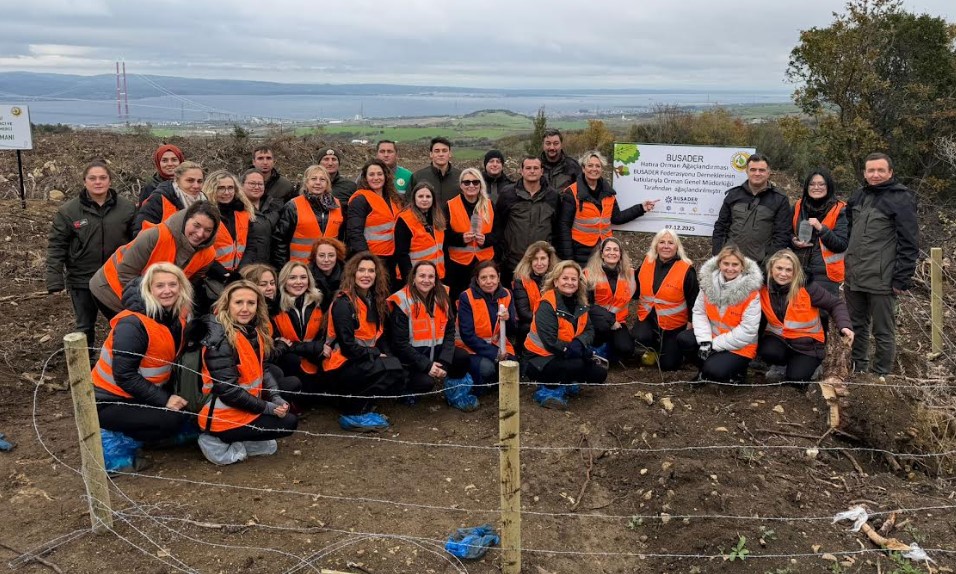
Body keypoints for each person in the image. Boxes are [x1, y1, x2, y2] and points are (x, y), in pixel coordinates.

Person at [92, 264, 193, 468]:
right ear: (149, 290)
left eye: (173, 284)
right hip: (109, 401)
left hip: (137, 395)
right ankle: (110, 433)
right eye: (160, 286)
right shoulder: (133, 324)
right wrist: (165, 399)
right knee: (171, 421)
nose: (167, 290)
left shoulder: (175, 319)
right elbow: (125, 375)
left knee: (186, 414)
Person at [198, 281, 298, 464]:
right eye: (238, 302)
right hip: (222, 416)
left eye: (251, 303)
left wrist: (276, 397)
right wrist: (268, 408)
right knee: (288, 423)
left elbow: (263, 369)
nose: (245, 308)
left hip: (244, 408)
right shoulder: (221, 340)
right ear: (227, 305)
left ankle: (239, 437)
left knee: (288, 409)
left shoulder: (252, 331)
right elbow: (229, 392)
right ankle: (215, 438)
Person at [47, 161, 135, 349]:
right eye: (92, 178)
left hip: (115, 278)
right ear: (84, 181)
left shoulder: (127, 208)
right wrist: (55, 280)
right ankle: (85, 365)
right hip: (81, 279)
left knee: (123, 323)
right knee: (85, 326)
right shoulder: (69, 211)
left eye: (103, 178)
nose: (98, 182)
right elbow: (57, 246)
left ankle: (119, 360)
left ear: (110, 181)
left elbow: (137, 242)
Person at [844, 153, 919, 376]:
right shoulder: (858, 196)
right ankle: (859, 369)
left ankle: (880, 377)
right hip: (854, 277)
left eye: (880, 170)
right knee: (857, 327)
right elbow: (850, 232)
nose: (875, 175)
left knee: (883, 331)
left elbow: (909, 242)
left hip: (882, 278)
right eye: (871, 171)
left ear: (890, 172)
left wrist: (901, 278)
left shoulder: (901, 198)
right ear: (865, 173)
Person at [90, 201, 221, 317]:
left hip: (150, 294)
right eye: (196, 225)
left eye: (208, 230)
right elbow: (125, 273)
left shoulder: (208, 255)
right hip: (110, 288)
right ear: (186, 219)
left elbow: (188, 285)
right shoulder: (156, 235)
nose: (200, 234)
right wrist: (150, 308)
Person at [323, 252, 404, 431]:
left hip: (359, 360)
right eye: (361, 270)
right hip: (340, 364)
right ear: (352, 273)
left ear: (377, 275)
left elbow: (378, 336)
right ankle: (352, 412)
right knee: (389, 367)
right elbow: (347, 346)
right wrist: (376, 354)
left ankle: (362, 406)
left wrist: (386, 355)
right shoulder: (344, 303)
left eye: (371, 271)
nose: (366, 275)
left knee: (396, 368)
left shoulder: (374, 300)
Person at [758, 250, 854, 383]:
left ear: (795, 271)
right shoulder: (763, 287)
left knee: (797, 380)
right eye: (779, 268)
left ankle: (813, 368)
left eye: (788, 270)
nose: (783, 274)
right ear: (771, 268)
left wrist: (845, 326)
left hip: (808, 345)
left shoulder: (807, 287)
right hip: (779, 338)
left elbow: (835, 303)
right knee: (768, 352)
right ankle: (780, 366)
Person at [525, 260, 607, 409]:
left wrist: (579, 343)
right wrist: (576, 351)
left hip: (567, 353)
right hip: (540, 359)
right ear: (556, 281)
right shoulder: (547, 304)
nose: (569, 282)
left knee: (599, 374)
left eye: (573, 279)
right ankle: (547, 390)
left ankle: (565, 382)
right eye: (565, 278)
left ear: (578, 282)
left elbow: (589, 330)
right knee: (577, 365)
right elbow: (550, 342)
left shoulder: (581, 303)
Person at [678, 245, 763, 384]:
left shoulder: (751, 292)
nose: (730, 268)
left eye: (735, 264)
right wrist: (705, 340)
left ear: (742, 267)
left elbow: (748, 330)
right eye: (726, 263)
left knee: (715, 371)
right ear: (719, 264)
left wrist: (713, 345)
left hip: (740, 346)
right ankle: (703, 371)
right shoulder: (708, 284)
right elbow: (699, 312)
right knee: (684, 339)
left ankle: (737, 372)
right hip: (712, 336)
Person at [387, 261, 469, 404]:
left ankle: (454, 392)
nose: (426, 280)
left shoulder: (443, 296)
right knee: (426, 383)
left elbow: (450, 332)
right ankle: (406, 391)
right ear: (413, 278)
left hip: (436, 352)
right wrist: (427, 365)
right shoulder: (402, 301)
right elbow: (400, 344)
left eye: (431, 276)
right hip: (410, 360)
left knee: (462, 357)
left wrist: (444, 361)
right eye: (422, 276)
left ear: (435, 279)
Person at [557, 150, 656, 266]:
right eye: (590, 165)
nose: (594, 169)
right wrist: (569, 259)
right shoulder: (572, 192)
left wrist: (641, 208)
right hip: (580, 251)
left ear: (601, 169)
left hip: (604, 249)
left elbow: (617, 218)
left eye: (598, 166)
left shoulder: (609, 193)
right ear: (583, 169)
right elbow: (564, 226)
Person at [631, 229, 699, 371]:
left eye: (670, 243)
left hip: (674, 324)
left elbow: (694, 300)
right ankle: (653, 346)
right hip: (648, 317)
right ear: (656, 245)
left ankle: (677, 351)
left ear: (677, 247)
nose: (666, 246)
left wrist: (691, 323)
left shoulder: (686, 269)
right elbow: (635, 289)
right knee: (639, 336)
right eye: (662, 242)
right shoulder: (647, 262)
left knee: (668, 365)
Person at [711, 153, 791, 267]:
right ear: (747, 171)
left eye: (761, 170)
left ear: (768, 172)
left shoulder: (779, 199)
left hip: (760, 266)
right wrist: (719, 256)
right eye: (753, 169)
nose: (757, 173)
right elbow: (720, 227)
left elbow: (782, 236)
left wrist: (768, 263)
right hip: (730, 264)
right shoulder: (733, 195)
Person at [494, 156, 560, 288]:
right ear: (521, 171)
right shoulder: (508, 194)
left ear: (542, 171)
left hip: (542, 264)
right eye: (528, 168)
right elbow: (499, 225)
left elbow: (556, 227)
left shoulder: (553, 196)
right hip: (513, 262)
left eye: (536, 168)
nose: (532, 171)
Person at [456, 261, 517, 394]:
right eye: (483, 278)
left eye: (492, 277)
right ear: (477, 280)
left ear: (499, 277)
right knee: (487, 368)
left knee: (513, 365)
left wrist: (509, 319)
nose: (489, 281)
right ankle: (476, 387)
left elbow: (513, 329)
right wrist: (495, 354)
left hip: (498, 344)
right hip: (470, 348)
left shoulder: (506, 294)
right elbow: (467, 335)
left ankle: (491, 385)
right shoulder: (466, 297)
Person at [272, 165, 345, 269]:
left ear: (328, 183)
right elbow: (280, 241)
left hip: (329, 268)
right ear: (306, 182)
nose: (318, 182)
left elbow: (342, 239)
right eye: (313, 179)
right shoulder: (293, 206)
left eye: (322, 179)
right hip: (300, 270)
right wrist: (283, 269)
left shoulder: (338, 205)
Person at [790, 168, 848, 299]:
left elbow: (841, 244)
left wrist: (821, 228)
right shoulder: (798, 206)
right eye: (812, 184)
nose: (816, 187)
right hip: (797, 270)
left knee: (821, 316)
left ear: (829, 186)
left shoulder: (841, 209)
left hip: (825, 275)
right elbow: (787, 232)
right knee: (796, 314)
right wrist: (793, 240)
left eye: (821, 184)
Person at [271, 262, 327, 393]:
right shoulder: (274, 307)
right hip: (290, 360)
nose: (298, 282)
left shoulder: (320, 302)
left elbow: (325, 335)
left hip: (315, 357)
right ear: (284, 280)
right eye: (292, 278)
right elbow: (277, 342)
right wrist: (310, 347)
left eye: (303, 277)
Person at [444, 168, 497, 301]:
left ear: (480, 185)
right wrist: (461, 238)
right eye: (467, 182)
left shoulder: (490, 205)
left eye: (475, 182)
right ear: (461, 185)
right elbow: (444, 235)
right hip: (458, 266)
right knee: (459, 301)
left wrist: (486, 240)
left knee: (484, 301)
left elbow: (499, 233)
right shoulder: (449, 206)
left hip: (484, 263)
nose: (471, 186)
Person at [202, 170, 257, 295]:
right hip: (210, 278)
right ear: (212, 189)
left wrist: (241, 271)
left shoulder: (243, 212)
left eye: (230, 188)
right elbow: (200, 250)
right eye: (221, 188)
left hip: (239, 275)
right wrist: (224, 274)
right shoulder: (204, 214)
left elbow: (251, 245)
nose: (226, 192)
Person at [348, 159, 403, 280]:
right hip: (374, 257)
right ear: (365, 178)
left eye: (379, 174)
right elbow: (355, 233)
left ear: (385, 176)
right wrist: (367, 259)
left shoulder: (394, 198)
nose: (376, 178)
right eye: (371, 174)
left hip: (393, 257)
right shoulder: (360, 200)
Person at [584, 237, 637, 362]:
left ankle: (607, 349)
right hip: (597, 321)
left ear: (620, 254)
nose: (612, 253)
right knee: (602, 328)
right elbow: (587, 305)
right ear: (602, 254)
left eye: (615, 250)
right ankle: (598, 349)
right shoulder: (588, 274)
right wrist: (609, 320)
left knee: (627, 349)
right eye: (608, 249)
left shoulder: (630, 274)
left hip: (619, 322)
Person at [133, 161, 205, 236]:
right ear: (177, 180)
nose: (196, 186)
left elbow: (217, 236)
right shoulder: (159, 199)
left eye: (200, 181)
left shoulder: (205, 201)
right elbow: (142, 234)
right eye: (190, 180)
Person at [394, 182, 446, 282]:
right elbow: (401, 254)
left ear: (433, 199)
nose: (424, 199)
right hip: (414, 276)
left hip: (436, 275)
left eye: (428, 196)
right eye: (420, 196)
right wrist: (410, 278)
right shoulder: (405, 219)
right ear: (414, 198)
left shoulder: (438, 217)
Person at [512, 241, 558, 353]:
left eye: (543, 258)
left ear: (549, 260)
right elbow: (524, 314)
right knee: (526, 327)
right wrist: (547, 321)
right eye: (535, 259)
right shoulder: (521, 280)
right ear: (530, 261)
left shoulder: (558, 277)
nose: (539, 263)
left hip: (556, 321)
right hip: (531, 321)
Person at [241, 168, 284, 265]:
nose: (257, 187)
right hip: (247, 267)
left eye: (260, 184)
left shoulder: (275, 207)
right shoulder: (237, 209)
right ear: (242, 185)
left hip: (271, 267)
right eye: (252, 183)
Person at [410, 137, 462, 206]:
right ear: (431, 154)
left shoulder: (461, 177)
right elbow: (409, 203)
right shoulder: (417, 177)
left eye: (444, 151)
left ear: (450, 154)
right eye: (437, 151)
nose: (441, 154)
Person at [308, 237, 347, 312]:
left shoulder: (348, 274)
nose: (326, 260)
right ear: (315, 257)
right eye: (321, 255)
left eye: (331, 255)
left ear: (337, 256)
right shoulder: (307, 275)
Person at [540, 128, 581, 192]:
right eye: (548, 143)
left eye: (556, 143)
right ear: (543, 145)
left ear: (561, 145)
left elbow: (582, 191)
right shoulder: (535, 166)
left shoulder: (573, 166)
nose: (552, 147)